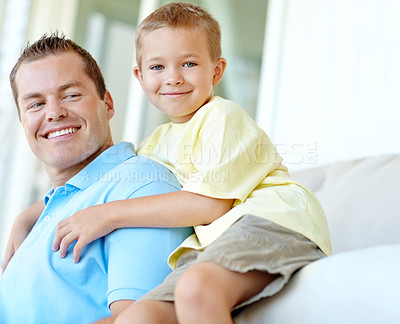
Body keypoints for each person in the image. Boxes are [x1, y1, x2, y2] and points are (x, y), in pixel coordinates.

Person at [3, 3, 332, 323]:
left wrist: (106, 214)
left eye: (188, 64)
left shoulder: (221, 118)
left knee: (196, 290)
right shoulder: (157, 143)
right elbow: (95, 185)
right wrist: (28, 217)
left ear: (216, 70)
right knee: (143, 315)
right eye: (158, 67)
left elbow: (212, 204)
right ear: (140, 76)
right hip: (218, 240)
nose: (173, 78)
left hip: (272, 221)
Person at [0, 33, 193, 324]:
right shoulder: (52, 207)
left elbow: (140, 320)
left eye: (71, 95)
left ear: (108, 104)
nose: (54, 112)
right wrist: (27, 217)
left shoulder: (142, 187)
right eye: (35, 104)